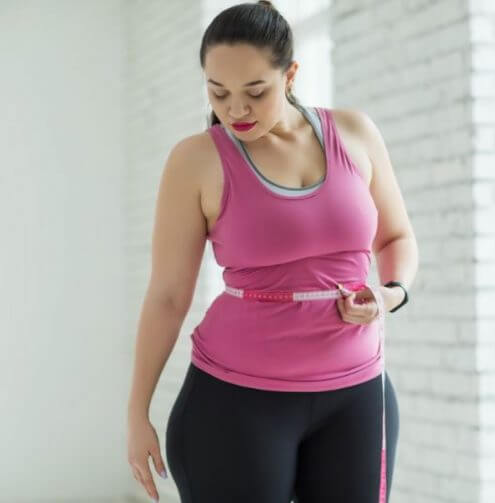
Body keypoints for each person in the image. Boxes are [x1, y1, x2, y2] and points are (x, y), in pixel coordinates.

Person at [124, 1, 419, 502]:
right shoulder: (196, 161)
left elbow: (396, 239)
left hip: (357, 395)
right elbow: (169, 296)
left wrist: (389, 294)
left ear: (290, 76)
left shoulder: (355, 134)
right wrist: (137, 412)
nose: (235, 110)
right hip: (236, 404)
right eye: (218, 93)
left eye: (254, 92)